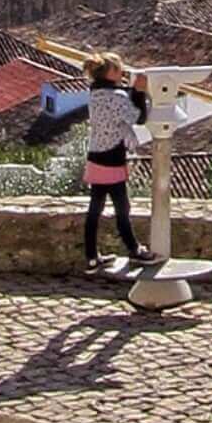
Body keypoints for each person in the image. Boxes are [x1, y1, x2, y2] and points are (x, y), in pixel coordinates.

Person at [80, 55, 147, 272]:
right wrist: (139, 92)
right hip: (112, 159)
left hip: (95, 156)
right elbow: (138, 117)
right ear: (111, 73)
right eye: (119, 70)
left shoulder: (95, 94)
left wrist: (129, 91)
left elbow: (114, 101)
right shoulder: (118, 96)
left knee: (95, 210)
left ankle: (91, 257)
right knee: (122, 208)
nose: (123, 72)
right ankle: (134, 249)